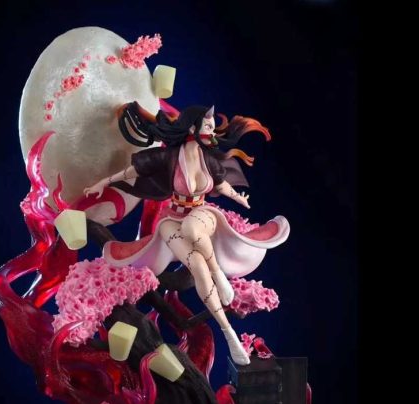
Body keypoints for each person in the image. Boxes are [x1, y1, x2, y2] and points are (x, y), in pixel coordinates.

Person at [83, 102, 289, 364]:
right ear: (192, 128)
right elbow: (133, 171)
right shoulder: (169, 157)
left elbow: (220, 185)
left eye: (212, 127)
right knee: (197, 267)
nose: (212, 132)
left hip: (203, 215)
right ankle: (229, 334)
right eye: (207, 126)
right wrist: (103, 183)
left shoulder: (208, 158)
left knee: (192, 227)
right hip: (173, 219)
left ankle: (218, 274)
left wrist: (239, 198)